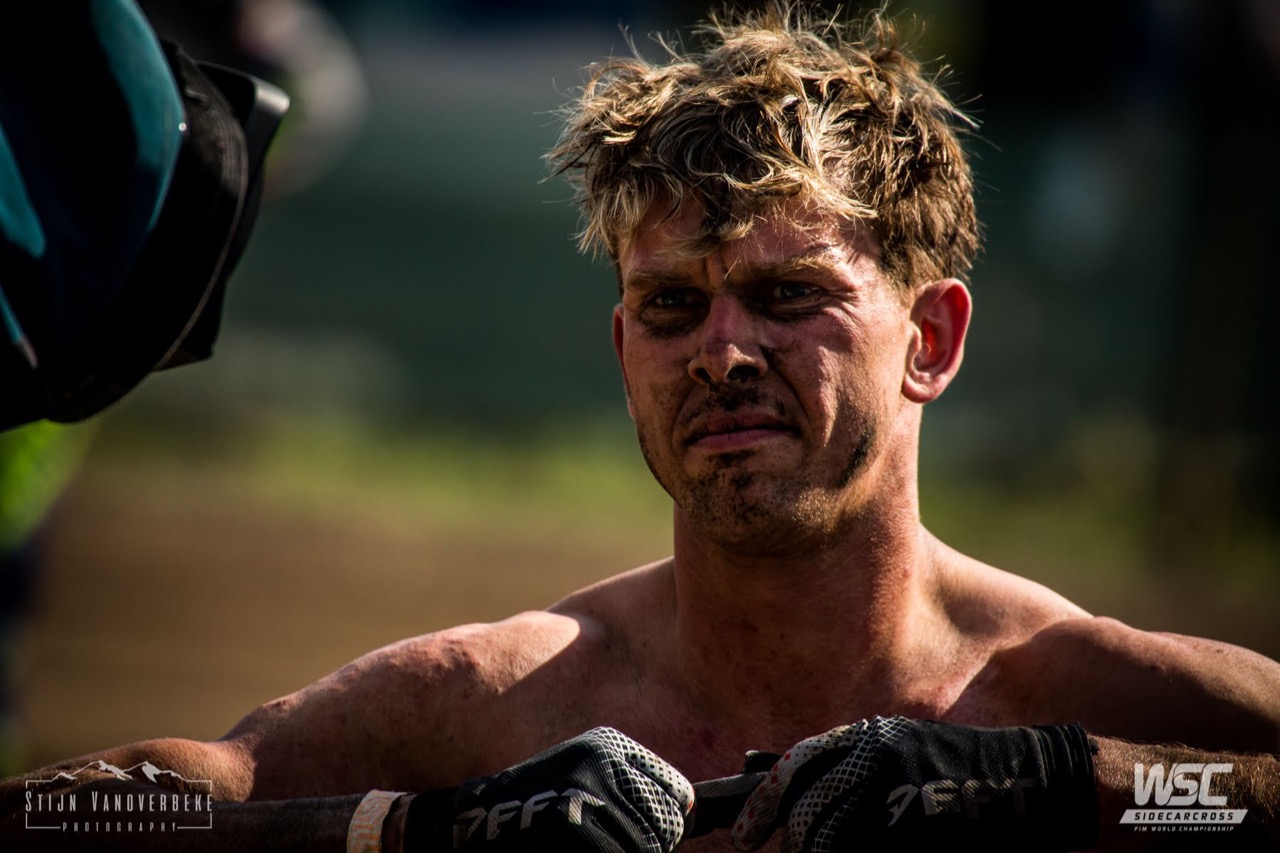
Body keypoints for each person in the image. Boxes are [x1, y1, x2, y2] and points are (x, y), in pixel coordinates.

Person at [3, 3, 1279, 851]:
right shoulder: (493, 709)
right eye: (670, 306)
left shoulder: (1087, 695)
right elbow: (54, 818)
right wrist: (401, 830)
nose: (721, 351)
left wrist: (1070, 787)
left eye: (787, 296)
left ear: (930, 341)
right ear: (624, 355)